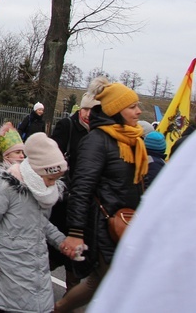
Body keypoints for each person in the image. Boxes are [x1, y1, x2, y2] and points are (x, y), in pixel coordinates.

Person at [54, 77, 147, 312]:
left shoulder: (134, 139)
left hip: (126, 223)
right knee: (115, 284)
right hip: (102, 225)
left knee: (98, 283)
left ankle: (57, 309)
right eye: (132, 106)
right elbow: (81, 188)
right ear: (116, 109)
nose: (139, 111)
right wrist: (75, 232)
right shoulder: (96, 141)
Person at [85, 133, 196, 313]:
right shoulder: (156, 166)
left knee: (104, 280)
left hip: (123, 223)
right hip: (115, 221)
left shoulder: (143, 159)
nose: (137, 111)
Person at [0, 132, 77, 313]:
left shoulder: (44, 191)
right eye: (50, 179)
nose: (53, 185)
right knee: (4, 307)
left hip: (35, 263)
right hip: (7, 265)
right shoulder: (8, 187)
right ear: (38, 173)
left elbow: (42, 223)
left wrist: (62, 242)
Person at [48, 91, 99, 290]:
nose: (87, 114)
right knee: (54, 248)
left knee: (75, 256)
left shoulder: (98, 134)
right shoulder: (67, 126)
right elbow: (51, 157)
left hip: (84, 200)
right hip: (63, 198)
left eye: (92, 111)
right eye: (85, 109)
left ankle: (70, 296)